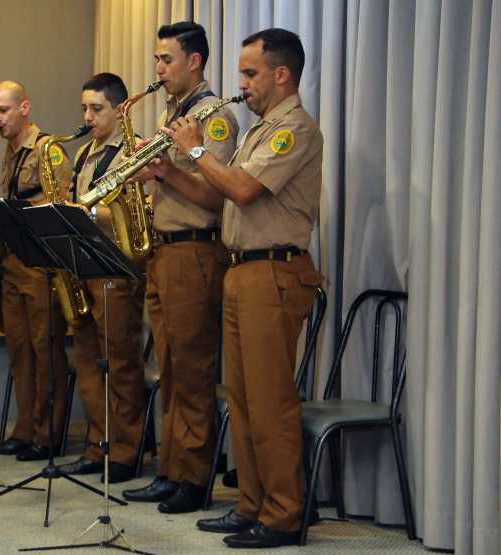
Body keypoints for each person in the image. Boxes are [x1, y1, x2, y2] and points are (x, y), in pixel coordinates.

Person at [163, 28, 325, 548]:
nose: (242, 84)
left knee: (270, 399)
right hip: (242, 270)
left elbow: (245, 189)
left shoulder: (293, 128)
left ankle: (283, 514)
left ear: (283, 74)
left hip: (273, 272)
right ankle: (253, 503)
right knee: (244, 398)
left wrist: (194, 148)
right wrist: (172, 170)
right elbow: (223, 196)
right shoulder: (260, 129)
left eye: (251, 74)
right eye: (242, 74)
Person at [119, 21, 238, 514]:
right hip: (164, 251)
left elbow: (217, 196)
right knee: (169, 369)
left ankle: (193, 477)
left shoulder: (213, 117)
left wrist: (166, 173)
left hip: (195, 250)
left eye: (166, 59)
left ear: (194, 61)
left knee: (192, 370)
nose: (158, 68)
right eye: (156, 59)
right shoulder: (174, 113)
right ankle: (170, 470)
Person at [54, 73, 146, 485]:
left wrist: (86, 212)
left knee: (120, 365)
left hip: (116, 270)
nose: (88, 117)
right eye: (84, 109)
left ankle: (125, 452)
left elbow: (137, 209)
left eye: (97, 108)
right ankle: (98, 445)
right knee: (89, 365)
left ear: (120, 109)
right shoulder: (84, 153)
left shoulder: (133, 150)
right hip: (84, 267)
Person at [0, 81, 71, 462]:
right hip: (13, 261)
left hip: (42, 262)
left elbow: (60, 201)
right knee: (19, 350)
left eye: (3, 110)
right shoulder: (8, 151)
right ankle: (25, 429)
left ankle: (49, 434)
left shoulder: (48, 149)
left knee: (45, 349)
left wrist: (13, 213)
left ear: (24, 108)